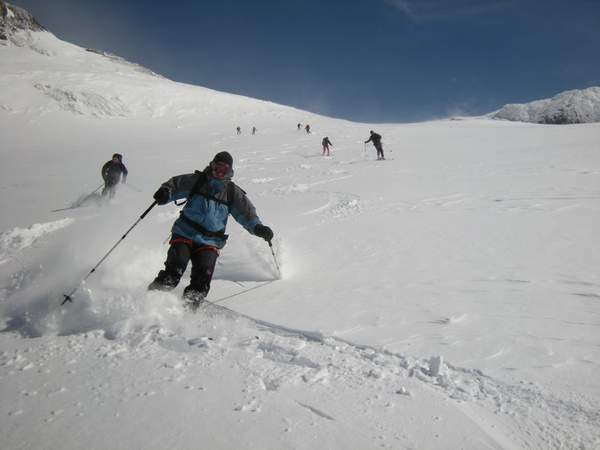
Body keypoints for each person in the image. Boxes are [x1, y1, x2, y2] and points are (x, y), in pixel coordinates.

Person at [148, 151, 274, 310]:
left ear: (230, 172)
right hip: (184, 233)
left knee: (201, 282)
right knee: (174, 271)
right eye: (217, 167)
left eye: (224, 169)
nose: (219, 172)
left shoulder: (232, 192)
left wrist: (258, 228)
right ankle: (148, 302)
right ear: (212, 165)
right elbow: (175, 184)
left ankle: (186, 314)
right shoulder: (197, 181)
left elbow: (246, 214)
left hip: (210, 242)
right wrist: (165, 192)